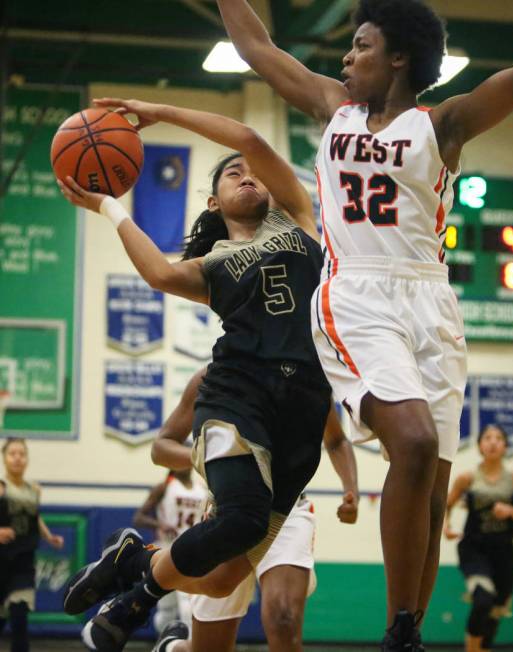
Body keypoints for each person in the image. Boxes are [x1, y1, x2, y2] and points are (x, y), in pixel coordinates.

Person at [215, 0, 513, 648]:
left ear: (399, 57)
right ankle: (402, 628)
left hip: (431, 305)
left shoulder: (443, 126)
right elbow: (257, 49)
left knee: (431, 490)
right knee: (408, 442)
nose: (346, 57)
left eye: (360, 45)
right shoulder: (332, 108)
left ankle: (403, 627)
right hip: (357, 294)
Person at [58, 98, 333, 652]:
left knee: (222, 575)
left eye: (253, 172)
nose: (248, 174)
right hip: (240, 391)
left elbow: (252, 141)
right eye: (234, 173)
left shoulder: (299, 217)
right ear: (215, 200)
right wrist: (112, 208)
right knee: (243, 520)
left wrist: (156, 111)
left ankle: (130, 559)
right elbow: (158, 272)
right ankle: (136, 602)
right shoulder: (211, 265)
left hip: (305, 407)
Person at [148, 368, 358, 652]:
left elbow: (336, 439)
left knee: (283, 618)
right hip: (226, 513)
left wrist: (351, 488)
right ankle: (177, 647)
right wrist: (203, 455)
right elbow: (161, 448)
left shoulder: (301, 376)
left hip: (286, 510)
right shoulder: (210, 378)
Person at [444, 425, 513, 652]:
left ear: (505, 445)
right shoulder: (467, 478)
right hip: (474, 548)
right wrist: (446, 527)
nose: (493, 442)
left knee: (495, 611)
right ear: (479, 446)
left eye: (498, 438)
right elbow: (446, 506)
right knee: (482, 599)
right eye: (487, 438)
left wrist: (511, 512)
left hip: (504, 551)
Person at [0, 438, 64, 652]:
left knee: (20, 617)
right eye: (12, 453)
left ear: (27, 459)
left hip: (23, 560)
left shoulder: (34, 489)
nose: (17, 458)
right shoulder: (1, 488)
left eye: (22, 454)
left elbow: (34, 517)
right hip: (1, 559)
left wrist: (48, 536)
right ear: (4, 458)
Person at [133, 468, 210, 632]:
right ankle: (164, 643)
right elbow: (138, 517)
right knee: (166, 608)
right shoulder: (164, 487)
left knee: (187, 603)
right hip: (167, 549)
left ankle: (189, 645)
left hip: (193, 550)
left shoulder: (201, 489)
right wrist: (159, 524)